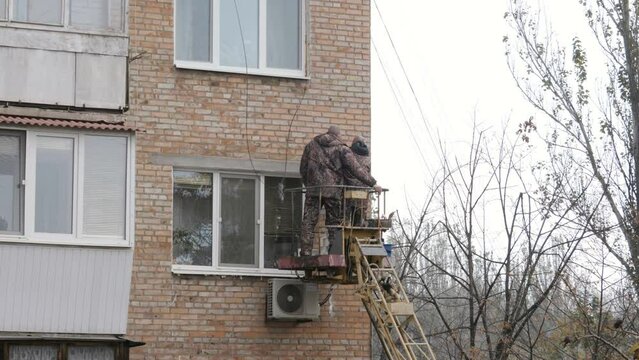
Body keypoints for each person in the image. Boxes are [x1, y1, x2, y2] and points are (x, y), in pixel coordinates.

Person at [299, 126, 381, 256]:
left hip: (313, 190)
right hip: (333, 191)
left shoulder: (311, 145)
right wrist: (373, 183)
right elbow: (356, 169)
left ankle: (305, 253)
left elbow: (303, 168)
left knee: (309, 221)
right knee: (334, 224)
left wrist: (309, 183)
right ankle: (334, 253)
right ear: (338, 135)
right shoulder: (341, 149)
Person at [344, 136, 372, 226]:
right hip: (362, 194)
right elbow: (367, 174)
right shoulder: (367, 158)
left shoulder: (349, 155)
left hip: (348, 191)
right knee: (359, 219)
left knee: (345, 220)